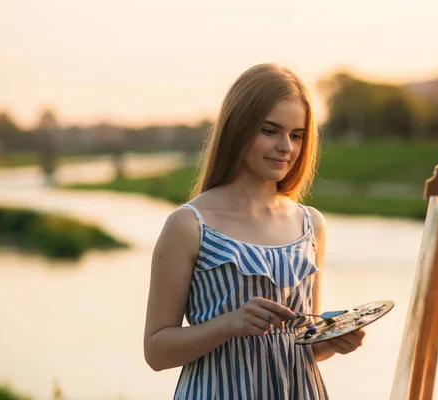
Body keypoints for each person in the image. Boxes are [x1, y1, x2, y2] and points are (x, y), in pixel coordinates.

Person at [143, 63, 366, 399]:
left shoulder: (311, 224)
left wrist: (331, 341)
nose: (286, 147)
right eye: (269, 130)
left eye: (296, 135)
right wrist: (229, 324)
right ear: (238, 129)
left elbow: (301, 345)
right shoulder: (189, 225)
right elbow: (156, 351)